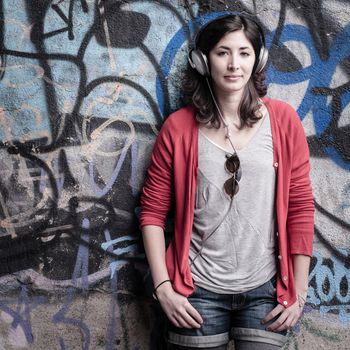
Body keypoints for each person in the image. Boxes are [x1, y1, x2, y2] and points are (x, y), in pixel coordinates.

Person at [140, 14, 314, 350]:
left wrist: (300, 292)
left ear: (258, 60)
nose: (234, 64)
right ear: (203, 62)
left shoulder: (283, 121)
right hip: (196, 292)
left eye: (244, 53)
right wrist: (162, 285)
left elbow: (301, 207)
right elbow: (151, 212)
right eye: (223, 53)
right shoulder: (178, 128)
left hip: (266, 292)